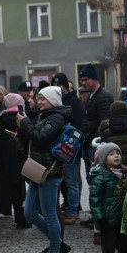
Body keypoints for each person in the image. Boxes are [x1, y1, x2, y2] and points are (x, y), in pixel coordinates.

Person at [16, 85, 70, 253]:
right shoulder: (44, 116)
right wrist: (21, 132)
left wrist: (25, 124)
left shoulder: (57, 117)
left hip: (50, 171)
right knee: (29, 212)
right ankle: (58, 244)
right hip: (37, 169)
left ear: (53, 100)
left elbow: (39, 138)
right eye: (38, 98)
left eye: (42, 99)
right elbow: (33, 140)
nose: (39, 102)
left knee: (49, 214)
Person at [51, 73, 86, 225]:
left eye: (60, 85)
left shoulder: (73, 102)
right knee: (63, 181)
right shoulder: (58, 101)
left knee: (72, 180)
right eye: (55, 85)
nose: (58, 88)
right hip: (60, 147)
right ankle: (68, 208)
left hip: (70, 147)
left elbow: (78, 126)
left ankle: (73, 210)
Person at [0, 93, 29, 229]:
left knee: (14, 191)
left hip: (7, 163)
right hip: (23, 160)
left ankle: (19, 219)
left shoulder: (1, 120)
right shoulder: (22, 119)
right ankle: (25, 218)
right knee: (25, 190)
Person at [80, 64, 112, 181]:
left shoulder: (103, 96)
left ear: (94, 78)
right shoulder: (92, 96)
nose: (83, 83)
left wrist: (96, 141)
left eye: (86, 80)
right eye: (82, 80)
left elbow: (105, 123)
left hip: (95, 145)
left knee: (96, 179)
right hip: (89, 144)